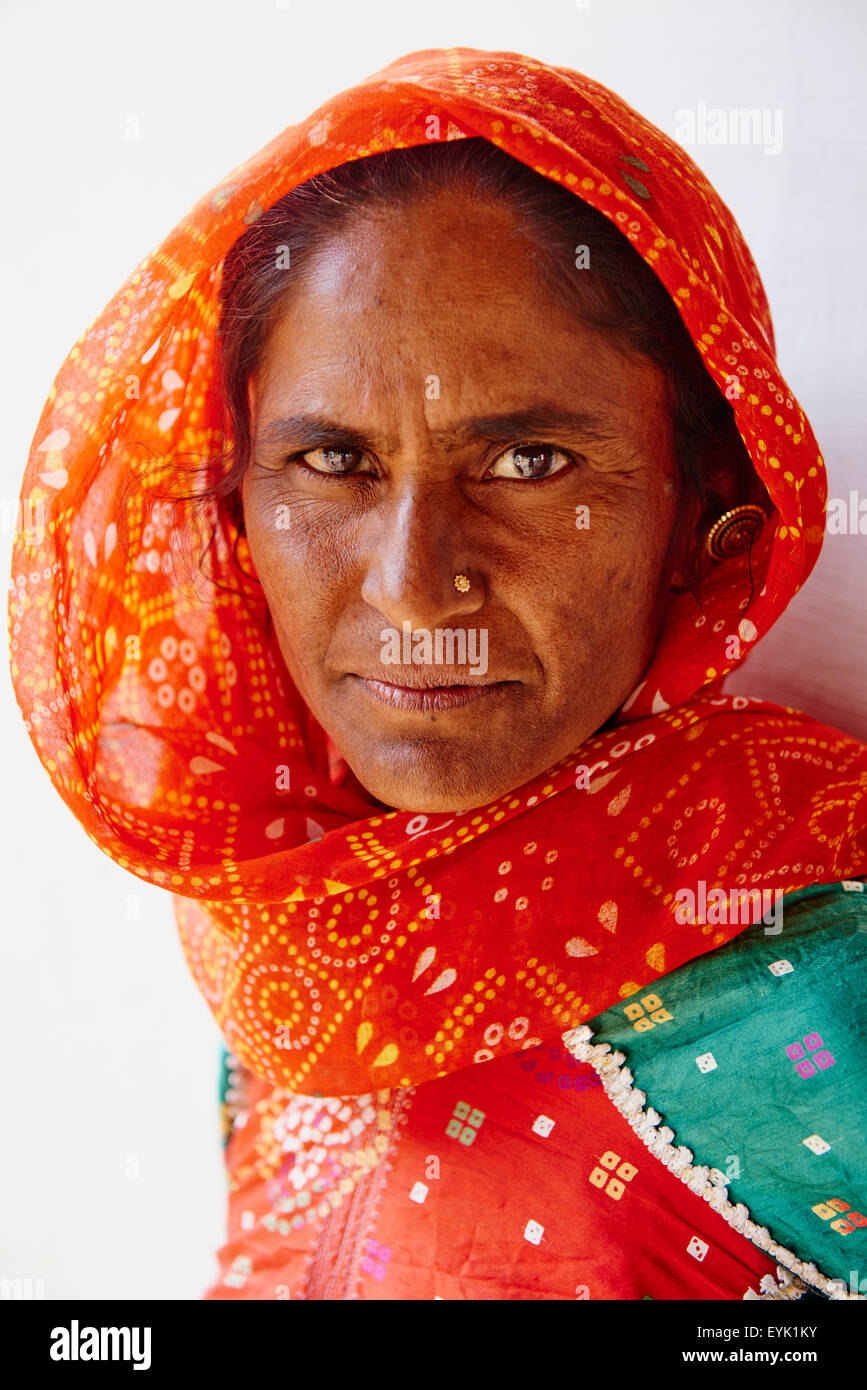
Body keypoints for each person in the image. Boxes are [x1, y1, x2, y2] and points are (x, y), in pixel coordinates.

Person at [9, 47, 867, 1301]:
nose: (415, 588)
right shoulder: (311, 928)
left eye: (528, 461)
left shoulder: (814, 995)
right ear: (233, 515)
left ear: (704, 516)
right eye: (332, 461)